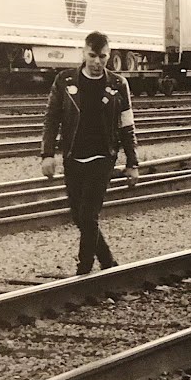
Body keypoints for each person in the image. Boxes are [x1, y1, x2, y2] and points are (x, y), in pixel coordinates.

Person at [40, 31, 141, 276]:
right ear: (83, 52)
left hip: (103, 157)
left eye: (102, 57)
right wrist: (47, 154)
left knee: (88, 215)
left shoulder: (118, 84)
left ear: (109, 56)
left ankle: (83, 270)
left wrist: (132, 163)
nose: (97, 62)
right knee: (78, 215)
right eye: (93, 55)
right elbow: (52, 119)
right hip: (73, 156)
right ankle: (107, 262)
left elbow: (127, 126)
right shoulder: (64, 81)